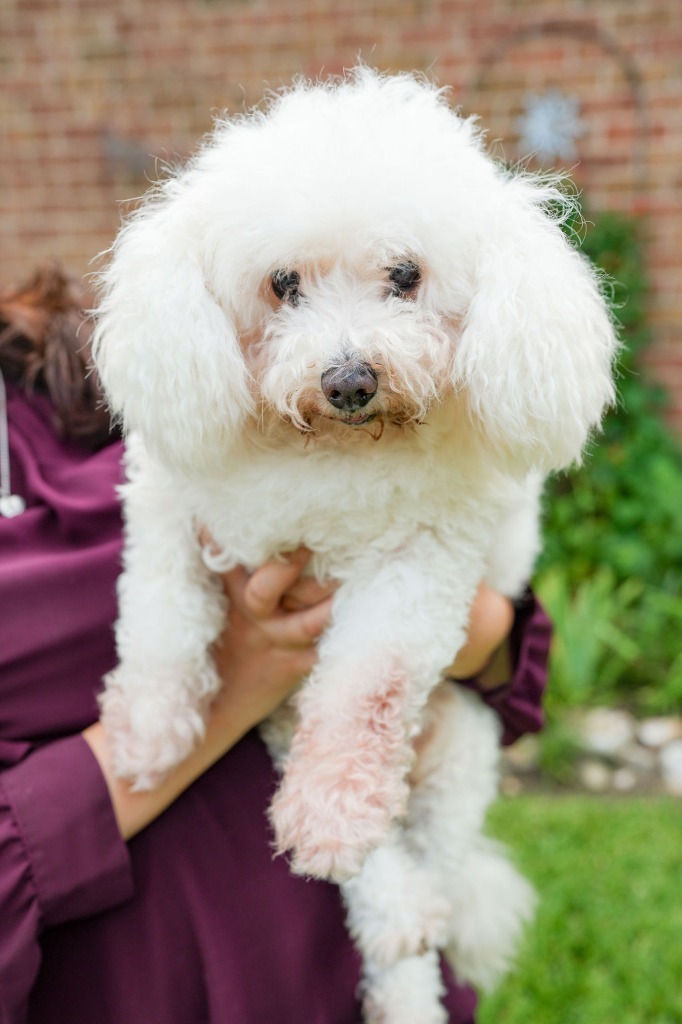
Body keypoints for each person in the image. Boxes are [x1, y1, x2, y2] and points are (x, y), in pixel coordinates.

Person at [0, 266, 552, 1024]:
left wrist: (461, 625)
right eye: (291, 286)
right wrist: (234, 684)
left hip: (356, 953)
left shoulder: (75, 365)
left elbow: (509, 650)